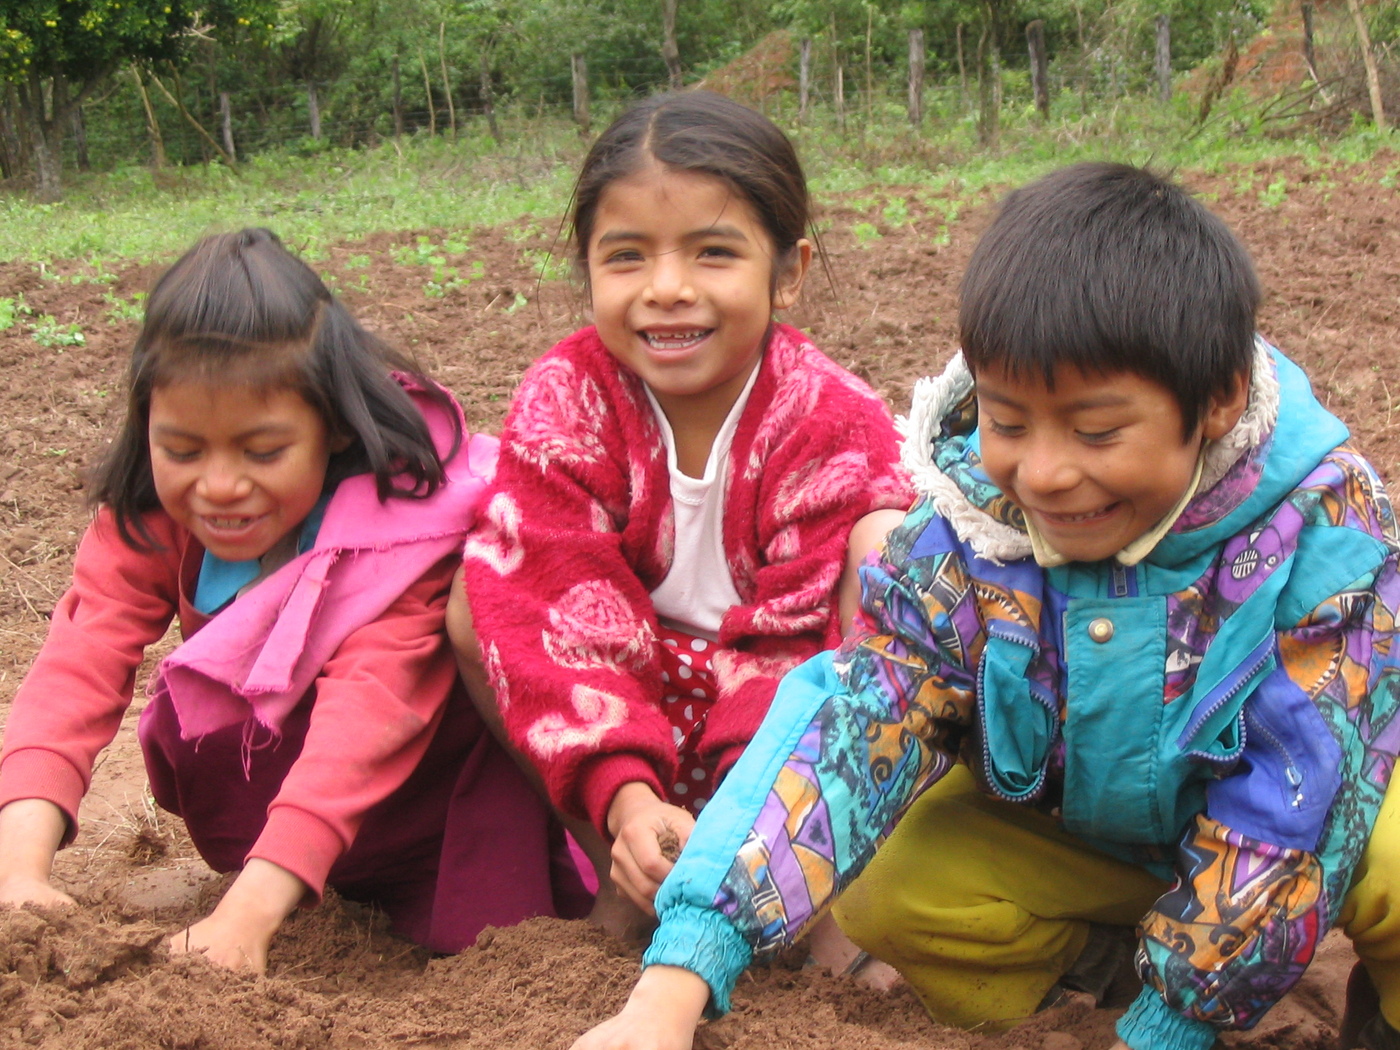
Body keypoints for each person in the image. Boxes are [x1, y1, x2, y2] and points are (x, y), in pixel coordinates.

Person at [569, 162, 1400, 1050]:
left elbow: (1292, 797)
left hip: (1308, 843)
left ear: (1217, 399)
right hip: (1084, 842)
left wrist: (1167, 1033)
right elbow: (851, 726)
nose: (1042, 473)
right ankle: (1090, 979)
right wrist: (674, 982)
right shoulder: (967, 531)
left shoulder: (1324, 532)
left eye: (1095, 432)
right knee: (896, 887)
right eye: (1008, 423)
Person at [0, 228, 585, 972]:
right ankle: (286, 871)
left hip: (426, 801)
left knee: (480, 933)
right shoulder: (147, 517)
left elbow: (367, 716)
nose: (219, 485)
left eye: (263, 452)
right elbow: (76, 666)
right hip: (280, 804)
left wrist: (246, 917)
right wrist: (19, 874)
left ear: (332, 426)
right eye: (183, 450)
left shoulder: (400, 523)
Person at [446, 90, 913, 936]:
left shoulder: (828, 416)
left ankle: (818, 902)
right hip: (635, 693)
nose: (667, 289)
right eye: (626, 256)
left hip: (786, 727)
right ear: (587, 267)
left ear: (789, 271)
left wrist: (746, 832)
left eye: (712, 253)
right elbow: (554, 597)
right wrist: (625, 796)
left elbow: (792, 636)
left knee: (886, 558)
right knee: (478, 600)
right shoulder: (569, 397)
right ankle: (627, 874)